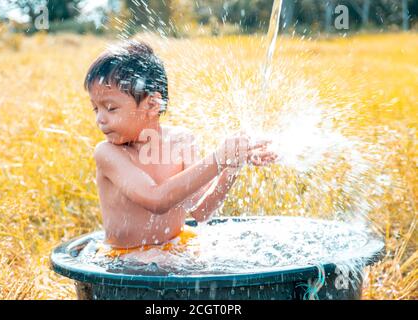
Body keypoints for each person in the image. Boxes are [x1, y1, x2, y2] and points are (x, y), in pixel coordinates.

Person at [84, 40, 277, 262]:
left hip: (177, 247)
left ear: (152, 104)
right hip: (125, 258)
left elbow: (201, 210)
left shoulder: (182, 141)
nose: (100, 118)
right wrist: (218, 159)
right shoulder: (108, 154)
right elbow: (156, 200)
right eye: (95, 108)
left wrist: (231, 166)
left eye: (110, 108)